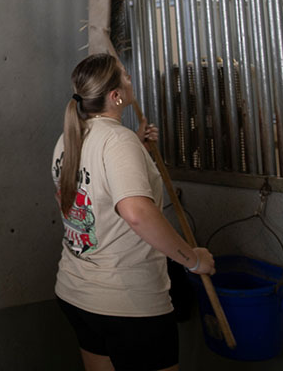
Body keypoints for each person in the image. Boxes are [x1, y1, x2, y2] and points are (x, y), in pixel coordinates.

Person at [52, 54, 215, 371]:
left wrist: (136, 146)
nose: (130, 81)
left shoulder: (68, 140)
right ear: (115, 96)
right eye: (125, 77)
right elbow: (136, 212)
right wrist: (192, 260)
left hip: (76, 292)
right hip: (126, 301)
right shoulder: (116, 140)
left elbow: (98, 189)